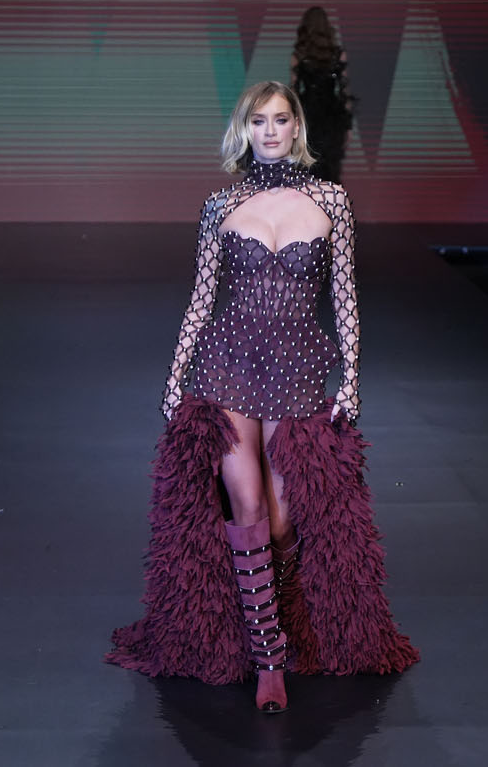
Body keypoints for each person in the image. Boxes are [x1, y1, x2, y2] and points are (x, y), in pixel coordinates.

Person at [105, 82, 417, 714]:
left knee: (279, 521)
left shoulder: (331, 201)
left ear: (296, 127)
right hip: (228, 367)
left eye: (279, 119)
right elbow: (202, 298)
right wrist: (174, 378)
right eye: (258, 121)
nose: (269, 131)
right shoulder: (221, 205)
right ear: (243, 130)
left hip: (298, 372)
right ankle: (269, 660)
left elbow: (345, 297)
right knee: (245, 504)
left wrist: (351, 378)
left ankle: (286, 626)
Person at [290, 6, 353, 183]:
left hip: (308, 113)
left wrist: (292, 122)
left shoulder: (299, 55)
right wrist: (347, 126)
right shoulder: (338, 54)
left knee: (307, 165)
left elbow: (293, 91)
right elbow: (344, 92)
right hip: (331, 115)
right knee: (330, 168)